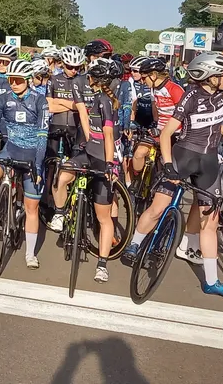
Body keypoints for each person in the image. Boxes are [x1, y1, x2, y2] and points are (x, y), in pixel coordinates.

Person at [122, 53, 223, 299]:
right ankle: (135, 243)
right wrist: (167, 164)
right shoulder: (190, 97)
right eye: (222, 75)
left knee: (210, 223)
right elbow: (166, 134)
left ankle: (211, 281)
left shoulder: (220, 95)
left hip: (208, 162)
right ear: (208, 76)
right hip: (183, 156)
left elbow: (216, 117)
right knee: (159, 206)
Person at [56, 59, 123, 283]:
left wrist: (110, 163)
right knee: (63, 175)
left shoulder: (105, 101)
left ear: (94, 80)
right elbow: (86, 119)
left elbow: (109, 136)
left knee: (104, 217)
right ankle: (63, 213)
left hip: (102, 158)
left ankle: (102, 264)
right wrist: (85, 140)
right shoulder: (94, 97)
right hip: (89, 152)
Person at [0, 59, 49, 267]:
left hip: (32, 153)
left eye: (18, 80)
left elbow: (42, 136)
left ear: (28, 80)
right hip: (11, 148)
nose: (14, 83)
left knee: (31, 207)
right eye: (11, 79)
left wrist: (37, 164)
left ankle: (30, 253)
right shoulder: (3, 99)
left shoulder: (40, 100)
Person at [129, 56, 184, 182]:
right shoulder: (154, 88)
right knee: (138, 154)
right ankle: (138, 182)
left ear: (153, 76)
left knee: (165, 166)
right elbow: (156, 110)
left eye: (144, 78)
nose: (142, 81)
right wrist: (155, 125)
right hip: (159, 130)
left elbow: (184, 115)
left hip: (174, 133)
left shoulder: (174, 89)